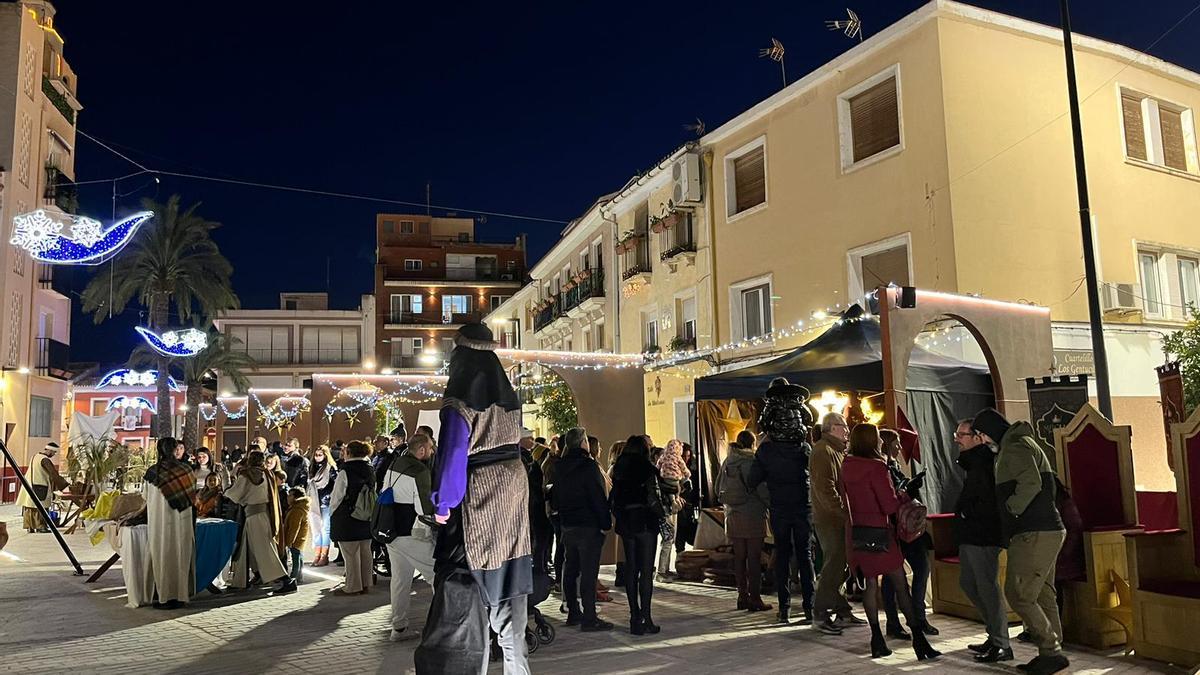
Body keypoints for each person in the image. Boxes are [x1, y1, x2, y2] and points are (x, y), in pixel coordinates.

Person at [416, 323, 532, 675]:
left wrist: (443, 505)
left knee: (466, 591)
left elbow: (453, 454)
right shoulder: (509, 398)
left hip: (481, 492)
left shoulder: (459, 400)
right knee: (510, 589)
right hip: (513, 490)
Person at [973, 408, 1068, 675]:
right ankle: (1052, 652)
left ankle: (1051, 649)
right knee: (1043, 592)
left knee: (1019, 594)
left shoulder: (1014, 447)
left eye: (980, 435)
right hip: (1046, 529)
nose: (981, 440)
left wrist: (1012, 509)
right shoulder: (1020, 443)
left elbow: (1031, 483)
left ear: (990, 431)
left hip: (1034, 531)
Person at [841, 424, 940, 660]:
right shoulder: (877, 467)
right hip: (881, 532)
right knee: (899, 585)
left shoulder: (846, 465)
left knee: (869, 586)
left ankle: (876, 639)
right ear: (872, 441)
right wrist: (904, 495)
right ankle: (919, 639)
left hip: (857, 533)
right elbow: (889, 505)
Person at [746, 378, 820, 626]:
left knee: (783, 555)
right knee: (805, 556)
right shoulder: (805, 448)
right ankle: (809, 607)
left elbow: (751, 480)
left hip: (779, 505)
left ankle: (785, 608)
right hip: (803, 505)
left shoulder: (766, 450)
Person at [952, 419, 1012, 663]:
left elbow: (987, 501)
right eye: (956, 434)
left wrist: (967, 513)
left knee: (986, 587)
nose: (957, 438)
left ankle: (1001, 643)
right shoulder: (972, 463)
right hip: (971, 533)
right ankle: (993, 634)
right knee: (969, 583)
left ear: (978, 438)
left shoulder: (984, 463)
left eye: (962, 434)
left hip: (983, 534)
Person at [551, 426, 613, 632]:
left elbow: (555, 498)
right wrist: (605, 523)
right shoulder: (588, 467)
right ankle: (589, 616)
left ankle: (572, 611)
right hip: (588, 525)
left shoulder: (559, 467)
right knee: (588, 571)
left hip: (568, 524)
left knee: (570, 569)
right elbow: (597, 497)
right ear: (583, 443)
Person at [878, 428, 938, 638]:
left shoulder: (893, 465)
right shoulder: (881, 467)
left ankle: (918, 618)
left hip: (909, 529)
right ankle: (895, 623)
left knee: (922, 568)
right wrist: (908, 489)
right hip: (894, 529)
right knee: (892, 578)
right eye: (896, 443)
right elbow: (890, 498)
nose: (900, 446)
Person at [380, 433, 438, 641]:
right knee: (437, 575)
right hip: (412, 534)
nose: (432, 452)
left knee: (400, 580)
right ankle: (444, 626)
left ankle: (399, 627)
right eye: (430, 448)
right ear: (421, 450)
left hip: (391, 532)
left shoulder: (395, 464)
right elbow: (424, 509)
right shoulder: (419, 471)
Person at [610, 434, 664, 635]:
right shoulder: (647, 468)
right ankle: (647, 617)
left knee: (632, 569)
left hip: (626, 521)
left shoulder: (619, 468)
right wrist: (662, 515)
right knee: (646, 571)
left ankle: (634, 617)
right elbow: (653, 496)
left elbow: (614, 497)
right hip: (645, 521)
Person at [226, 450, 297, 594]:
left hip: (253, 514)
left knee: (264, 549)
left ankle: (285, 580)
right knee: (248, 547)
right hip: (264, 513)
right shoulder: (268, 474)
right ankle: (243, 579)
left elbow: (235, 495)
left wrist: (226, 487)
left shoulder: (245, 475)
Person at [717, 430, 772, 612]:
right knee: (754, 558)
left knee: (739, 557)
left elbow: (718, 487)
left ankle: (742, 596)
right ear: (752, 443)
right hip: (753, 513)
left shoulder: (728, 461)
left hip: (733, 514)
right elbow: (761, 489)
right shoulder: (751, 462)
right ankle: (755, 597)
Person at [810, 412, 854, 634]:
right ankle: (820, 612)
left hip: (836, 517)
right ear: (832, 427)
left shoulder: (836, 450)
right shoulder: (822, 450)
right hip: (829, 519)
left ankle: (842, 608)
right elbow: (825, 488)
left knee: (841, 564)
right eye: (843, 426)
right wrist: (842, 512)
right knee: (834, 563)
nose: (847, 430)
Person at [142, 437, 198, 609]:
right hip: (183, 520)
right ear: (175, 450)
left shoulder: (153, 472)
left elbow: (144, 496)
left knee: (162, 556)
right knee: (181, 555)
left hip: (160, 522)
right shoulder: (186, 470)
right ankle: (181, 595)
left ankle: (164, 596)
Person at [329, 440, 375, 595]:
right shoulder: (370, 468)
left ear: (349, 452)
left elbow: (338, 496)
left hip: (348, 516)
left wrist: (332, 513)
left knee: (350, 554)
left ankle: (353, 586)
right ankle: (366, 583)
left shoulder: (345, 471)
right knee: (365, 552)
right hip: (367, 515)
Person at [654, 439, 689, 581]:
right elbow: (685, 470)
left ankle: (665, 570)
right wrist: (686, 476)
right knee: (668, 539)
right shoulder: (677, 459)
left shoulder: (663, 459)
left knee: (668, 539)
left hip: (668, 501)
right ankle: (662, 571)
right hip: (666, 508)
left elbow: (658, 467)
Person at [519, 428, 553, 576]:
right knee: (539, 540)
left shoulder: (528, 459)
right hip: (534, 505)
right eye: (529, 438)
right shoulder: (524, 459)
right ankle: (539, 571)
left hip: (533, 504)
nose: (532, 441)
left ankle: (540, 569)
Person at [17, 442, 68, 533]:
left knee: (30, 507)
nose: (53, 454)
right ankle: (41, 527)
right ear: (50, 450)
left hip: (29, 485)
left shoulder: (35, 456)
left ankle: (30, 527)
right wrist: (64, 484)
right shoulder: (45, 460)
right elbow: (53, 474)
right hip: (39, 486)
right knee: (41, 507)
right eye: (53, 452)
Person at [306, 444, 338, 567]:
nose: (317, 457)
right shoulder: (312, 468)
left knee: (325, 529)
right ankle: (317, 554)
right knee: (315, 529)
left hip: (326, 501)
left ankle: (324, 555)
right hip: (314, 501)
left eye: (320, 455)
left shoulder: (330, 468)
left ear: (325, 455)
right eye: (316, 455)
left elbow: (336, 484)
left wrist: (330, 497)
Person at [282, 487, 310, 584]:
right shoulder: (300, 507)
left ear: (296, 497)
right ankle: (299, 577)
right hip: (300, 539)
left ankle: (294, 577)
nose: (288, 497)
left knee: (296, 558)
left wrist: (290, 541)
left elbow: (294, 527)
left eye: (290, 495)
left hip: (296, 539)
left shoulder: (297, 510)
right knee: (299, 557)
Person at [675, 442, 699, 557]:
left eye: (688, 456)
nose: (686, 459)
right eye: (684, 456)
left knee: (684, 530)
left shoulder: (691, 471)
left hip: (688, 504)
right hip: (679, 504)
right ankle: (680, 556)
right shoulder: (674, 469)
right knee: (679, 533)